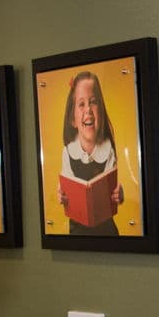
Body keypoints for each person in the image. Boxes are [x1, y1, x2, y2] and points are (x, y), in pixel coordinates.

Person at [58, 71, 123, 236]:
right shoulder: (68, 152)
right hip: (78, 233)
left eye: (93, 102)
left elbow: (112, 194)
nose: (88, 110)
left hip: (106, 233)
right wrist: (63, 196)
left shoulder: (108, 150)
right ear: (73, 119)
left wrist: (118, 195)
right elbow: (65, 191)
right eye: (81, 104)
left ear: (101, 111)